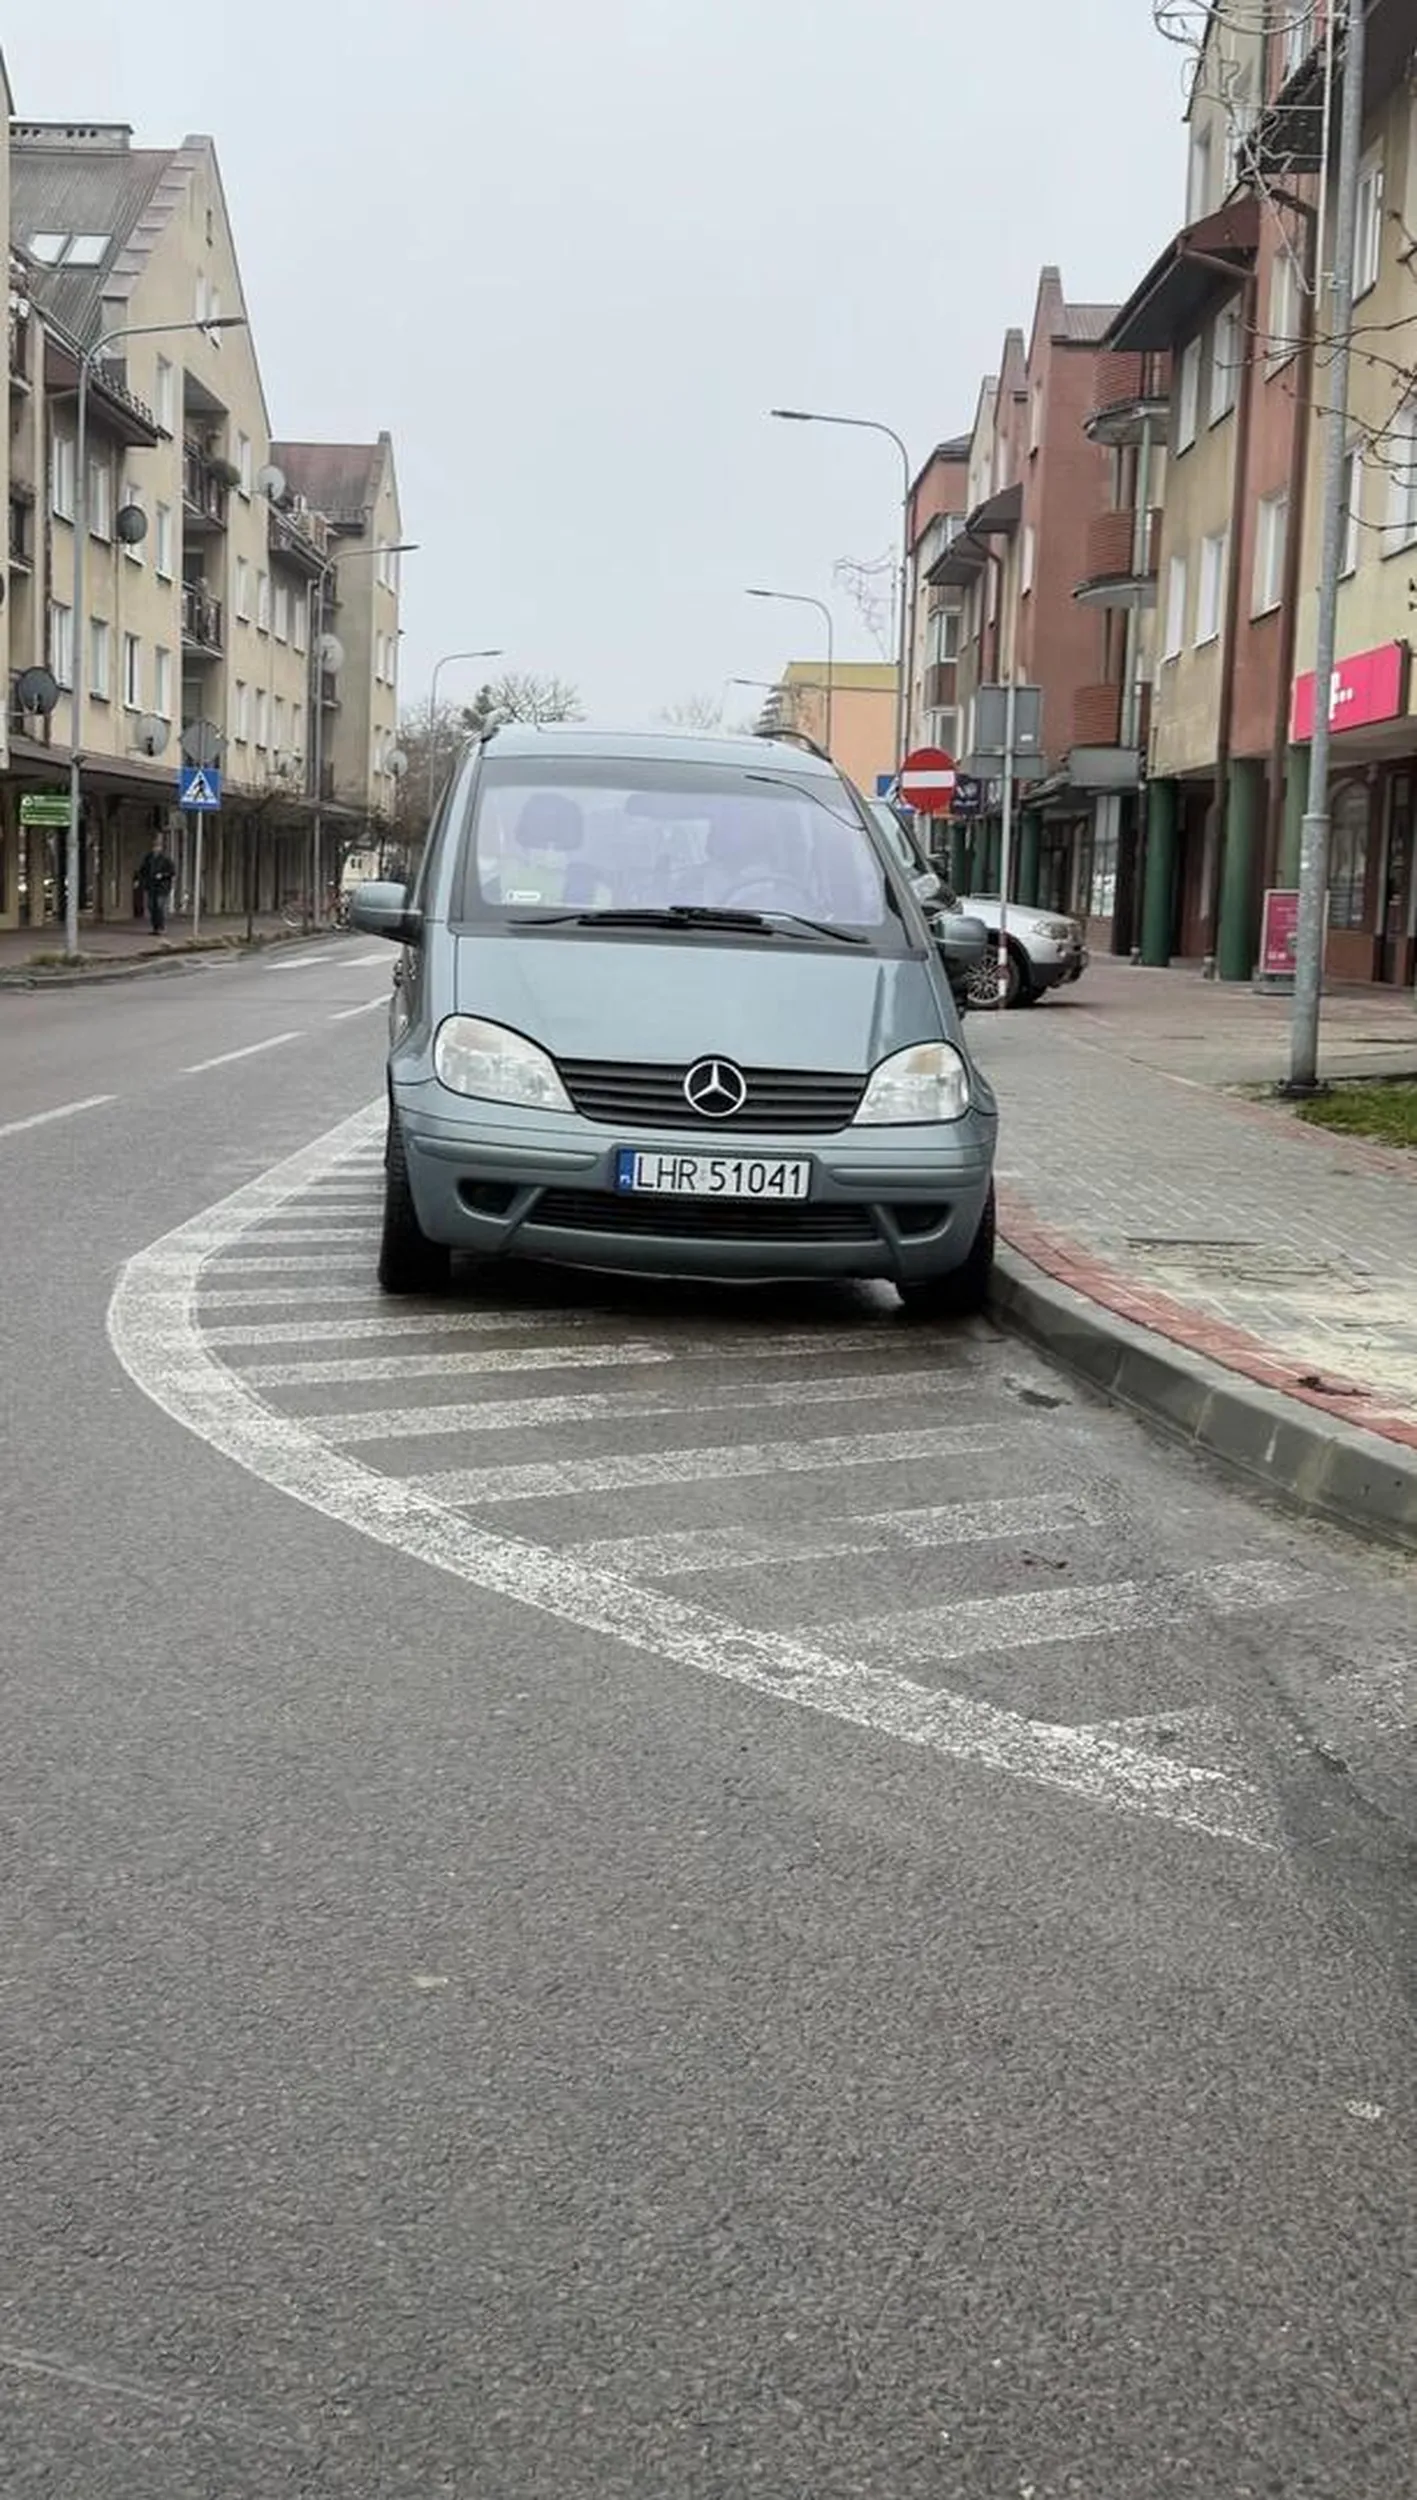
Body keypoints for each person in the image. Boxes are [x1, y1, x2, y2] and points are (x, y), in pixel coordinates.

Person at [135, 842, 177, 935]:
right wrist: (139, 879)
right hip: (151, 886)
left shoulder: (166, 859)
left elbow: (172, 872)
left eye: (157, 847)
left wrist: (162, 875)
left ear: (161, 848)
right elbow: (143, 870)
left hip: (162, 887)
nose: (155, 849)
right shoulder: (148, 858)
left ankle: (161, 927)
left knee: (159, 906)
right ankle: (155, 927)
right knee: (151, 906)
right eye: (154, 847)